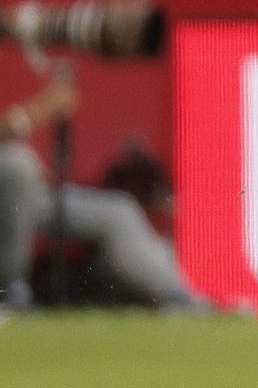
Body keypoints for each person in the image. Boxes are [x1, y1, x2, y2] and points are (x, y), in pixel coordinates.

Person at [0, 70, 207, 310]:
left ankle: (182, 297)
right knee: (17, 164)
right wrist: (41, 109)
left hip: (22, 200)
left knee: (118, 211)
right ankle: (7, 290)